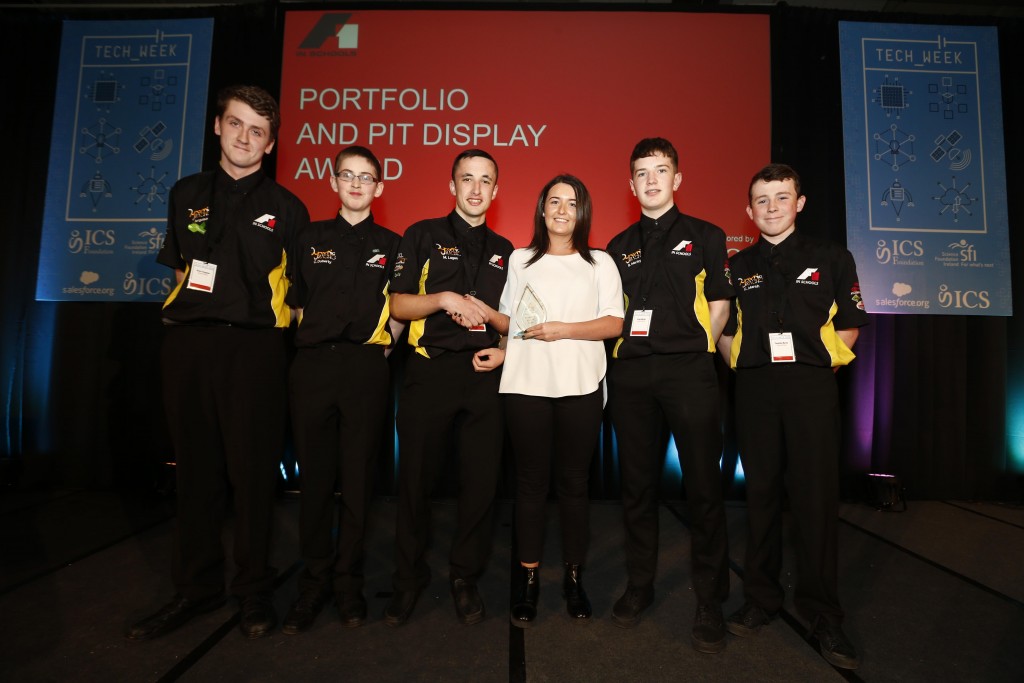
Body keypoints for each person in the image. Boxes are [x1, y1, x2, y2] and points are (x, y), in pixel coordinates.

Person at [129, 85, 310, 641]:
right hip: (188, 347)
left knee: (253, 476)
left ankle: (253, 592)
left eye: (257, 131)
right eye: (236, 125)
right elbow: (180, 270)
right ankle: (195, 589)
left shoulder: (288, 209)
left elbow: (299, 298)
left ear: (271, 143)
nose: (244, 137)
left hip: (254, 352)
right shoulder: (184, 193)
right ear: (217, 127)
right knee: (196, 474)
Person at [717, 163, 868, 670]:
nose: (772, 207)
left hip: (810, 390)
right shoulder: (737, 266)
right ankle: (761, 599)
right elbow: (721, 326)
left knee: (815, 500)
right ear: (749, 209)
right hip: (755, 389)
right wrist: (736, 356)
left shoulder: (831, 257)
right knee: (759, 497)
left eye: (781, 198)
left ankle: (824, 613)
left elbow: (850, 324)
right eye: (762, 200)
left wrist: (823, 364)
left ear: (799, 203)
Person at [606, 138, 732, 653]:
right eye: (642, 172)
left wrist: (698, 350)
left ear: (677, 179)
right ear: (630, 183)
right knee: (636, 489)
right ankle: (640, 586)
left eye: (661, 171)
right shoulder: (616, 247)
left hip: (688, 373)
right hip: (632, 376)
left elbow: (721, 303)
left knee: (704, 489)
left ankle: (710, 600)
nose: (651, 180)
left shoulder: (706, 235)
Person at [481, 175, 624, 628]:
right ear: (542, 210)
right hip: (525, 384)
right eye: (554, 202)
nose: (562, 210)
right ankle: (527, 579)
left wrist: (564, 329)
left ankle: (574, 578)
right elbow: (514, 322)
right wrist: (485, 316)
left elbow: (614, 324)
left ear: (583, 212)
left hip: (580, 385)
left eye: (572, 203)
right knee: (529, 485)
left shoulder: (600, 263)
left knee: (574, 486)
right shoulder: (520, 259)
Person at [384, 149, 513, 627]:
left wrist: (502, 344)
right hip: (428, 372)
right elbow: (398, 306)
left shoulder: (508, 250)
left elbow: (516, 322)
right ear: (452, 185)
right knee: (415, 482)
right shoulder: (421, 234)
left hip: (484, 376)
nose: (476, 189)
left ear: (496, 191)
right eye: (467, 179)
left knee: (480, 485)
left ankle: (465, 577)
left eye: (485, 181)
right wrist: (442, 298)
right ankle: (408, 579)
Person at [282, 146, 403, 634]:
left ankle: (349, 580)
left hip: (365, 369)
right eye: (347, 175)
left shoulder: (394, 244)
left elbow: (399, 309)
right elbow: (291, 304)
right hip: (311, 367)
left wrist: (380, 353)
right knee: (314, 480)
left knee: (357, 479)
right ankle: (313, 582)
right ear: (333, 182)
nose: (356, 184)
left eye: (366, 177)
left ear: (379, 187)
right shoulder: (307, 238)